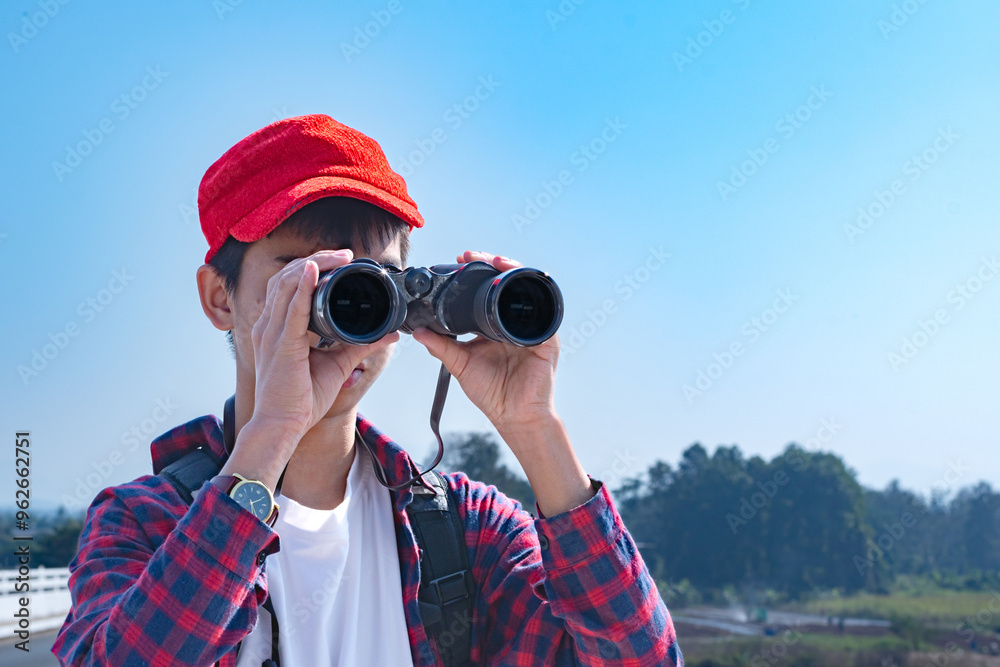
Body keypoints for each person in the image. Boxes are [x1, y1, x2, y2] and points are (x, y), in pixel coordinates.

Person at [52, 114, 682, 666]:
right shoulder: (145, 524)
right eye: (313, 274)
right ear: (221, 298)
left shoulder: (463, 531)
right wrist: (272, 433)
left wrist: (535, 429)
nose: (349, 316)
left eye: (374, 287)